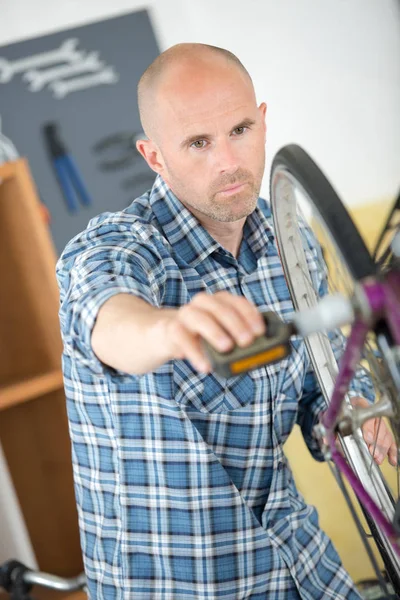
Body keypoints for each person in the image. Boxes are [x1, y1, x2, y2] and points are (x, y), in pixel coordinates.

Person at [57, 43, 396, 600]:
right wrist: (171, 329)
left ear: (262, 121)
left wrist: (359, 408)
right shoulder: (115, 246)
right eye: (197, 143)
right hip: (181, 584)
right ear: (154, 156)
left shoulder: (291, 243)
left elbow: (324, 377)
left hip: (297, 558)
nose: (228, 162)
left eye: (239, 130)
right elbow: (110, 320)